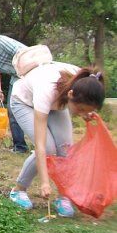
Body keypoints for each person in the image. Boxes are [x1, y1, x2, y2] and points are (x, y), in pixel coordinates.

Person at [7, 65, 105, 217]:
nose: (83, 113)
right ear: (71, 94)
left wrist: (85, 112)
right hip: (25, 102)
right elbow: (40, 145)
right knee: (48, 148)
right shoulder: (46, 90)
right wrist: (44, 182)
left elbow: (81, 103)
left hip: (56, 103)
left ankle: (63, 196)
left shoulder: (86, 83)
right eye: (81, 109)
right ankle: (18, 190)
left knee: (66, 149)